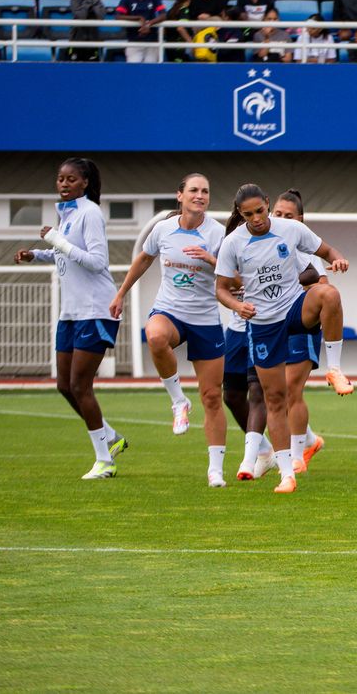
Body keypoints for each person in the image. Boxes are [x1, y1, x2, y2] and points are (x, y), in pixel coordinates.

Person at [214, 184, 352, 494]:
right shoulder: (233, 243)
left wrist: (339, 258)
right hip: (263, 322)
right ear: (240, 214)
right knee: (274, 399)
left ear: (266, 203)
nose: (257, 218)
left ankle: (335, 368)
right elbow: (221, 288)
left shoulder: (290, 230)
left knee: (329, 294)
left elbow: (327, 252)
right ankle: (287, 474)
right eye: (248, 214)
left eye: (260, 211)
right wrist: (238, 305)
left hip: (293, 308)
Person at [107, 174, 229, 482]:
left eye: (205, 191)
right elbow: (143, 260)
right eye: (193, 190)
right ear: (180, 196)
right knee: (155, 335)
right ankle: (178, 400)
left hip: (205, 319)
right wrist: (120, 294)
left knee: (213, 396)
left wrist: (211, 259)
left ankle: (215, 470)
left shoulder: (218, 234)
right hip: (170, 311)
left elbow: (235, 278)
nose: (199, 195)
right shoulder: (163, 229)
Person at [12, 158, 127, 480]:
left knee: (80, 384)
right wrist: (38, 254)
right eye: (60, 178)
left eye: (70, 179)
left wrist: (57, 241)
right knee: (64, 385)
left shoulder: (90, 213)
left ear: (85, 183)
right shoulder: (68, 215)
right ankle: (112, 437)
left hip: (94, 310)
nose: (63, 183)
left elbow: (96, 261)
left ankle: (105, 460)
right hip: (71, 312)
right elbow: (66, 253)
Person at [269, 190, 333, 475]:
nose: (282, 220)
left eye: (288, 216)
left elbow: (322, 286)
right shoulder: (262, 248)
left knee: (292, 389)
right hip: (272, 325)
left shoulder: (305, 249)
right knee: (276, 392)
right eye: (278, 214)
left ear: (300, 221)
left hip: (301, 325)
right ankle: (309, 440)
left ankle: (296, 457)